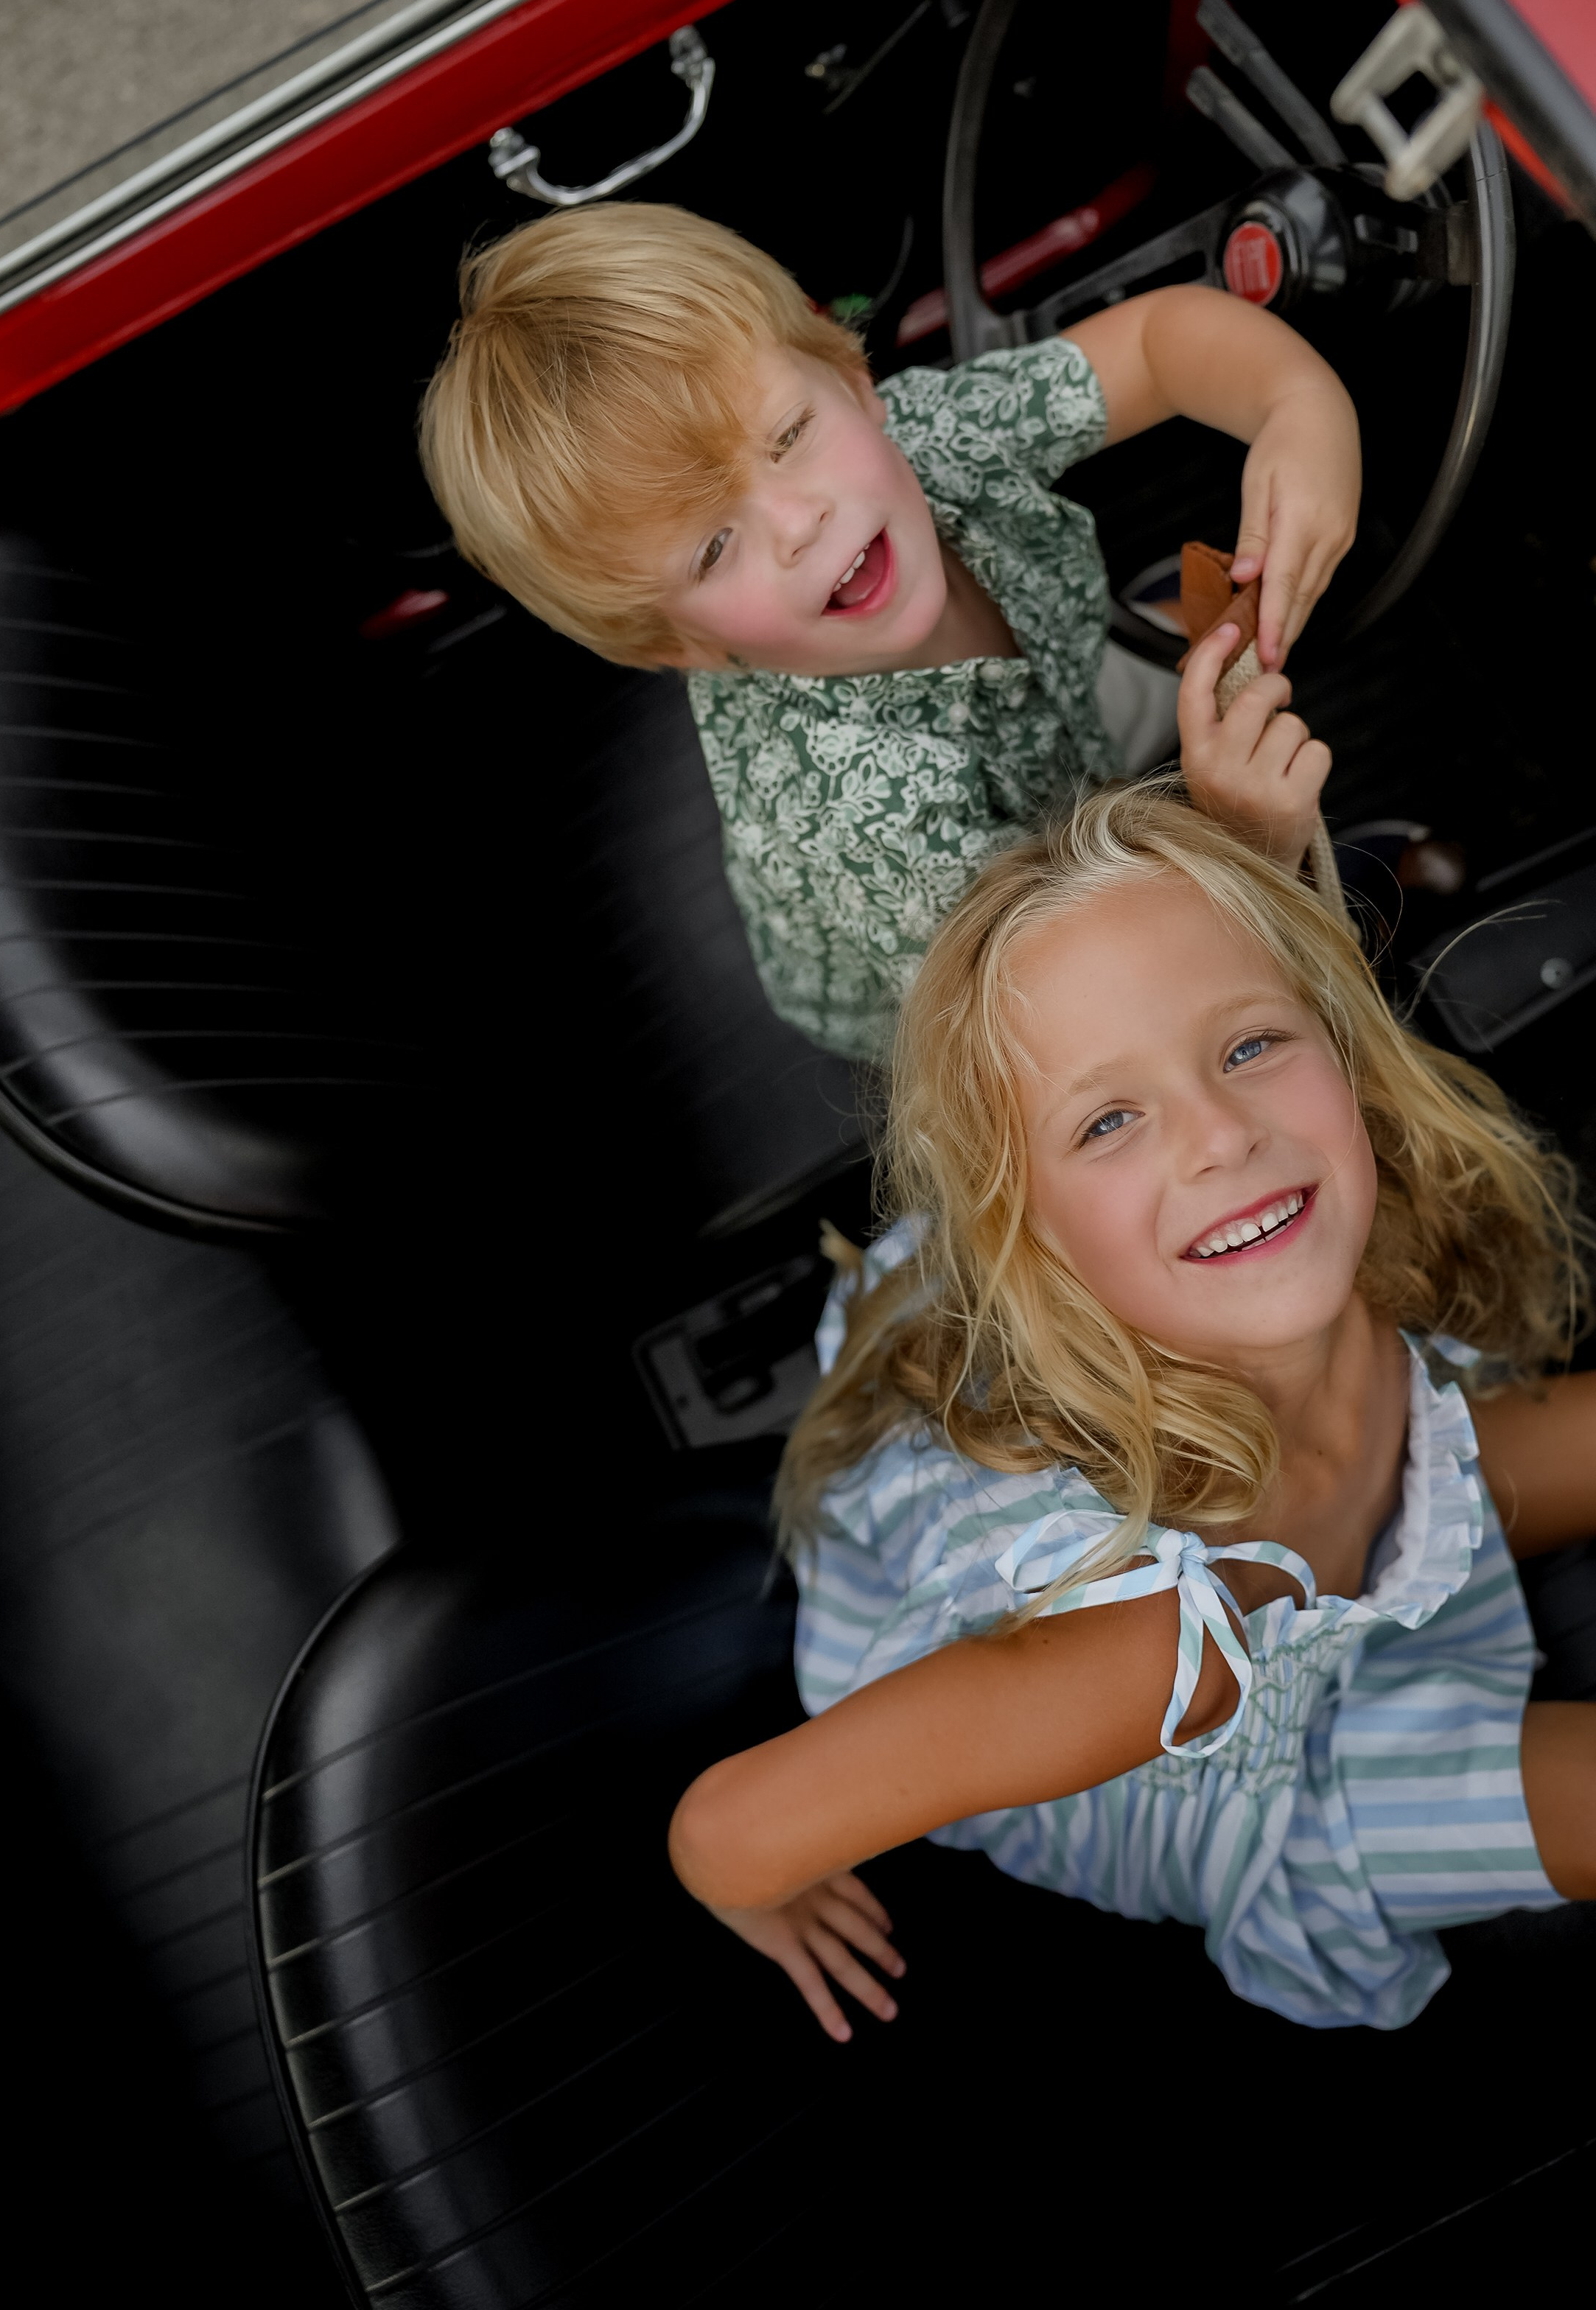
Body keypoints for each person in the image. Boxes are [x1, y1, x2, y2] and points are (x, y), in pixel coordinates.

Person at [666, 785, 1596, 2033]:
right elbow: (726, 1828)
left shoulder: (1296, 1259)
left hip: (1308, 1500)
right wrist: (755, 1888)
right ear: (1031, 1244)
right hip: (1237, 1768)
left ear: (1345, 1047)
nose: (1221, 1134)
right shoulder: (1138, 1653)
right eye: (1110, 1119)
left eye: (1251, 1044)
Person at [419, 204, 1358, 1057]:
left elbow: (1156, 345)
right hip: (984, 959)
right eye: (713, 549)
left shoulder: (927, 436)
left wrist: (1298, 408)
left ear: (853, 381)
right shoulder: (857, 812)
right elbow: (1067, 1005)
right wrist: (1248, 850)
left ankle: (1154, 706)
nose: (798, 523)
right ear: (680, 646)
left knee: (1143, 698)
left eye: (787, 436)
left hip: (1064, 710)